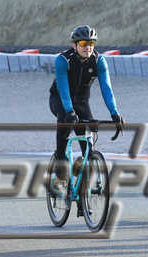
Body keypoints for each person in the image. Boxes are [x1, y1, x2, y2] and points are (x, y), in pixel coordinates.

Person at [49, 25, 124, 176]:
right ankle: (60, 163)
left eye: (91, 43)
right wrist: (69, 111)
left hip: (81, 102)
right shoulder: (63, 60)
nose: (87, 47)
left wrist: (114, 113)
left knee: (87, 139)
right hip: (60, 99)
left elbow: (106, 89)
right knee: (65, 122)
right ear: (74, 45)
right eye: (83, 44)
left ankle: (83, 163)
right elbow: (63, 89)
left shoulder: (99, 61)